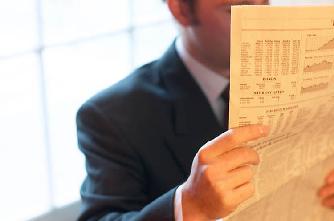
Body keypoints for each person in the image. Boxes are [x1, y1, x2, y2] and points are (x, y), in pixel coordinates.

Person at [76, 0, 334, 220]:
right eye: (237, 9)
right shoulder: (110, 115)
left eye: (264, 3)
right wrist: (189, 206)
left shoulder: (314, 77)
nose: (260, 19)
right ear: (181, 10)